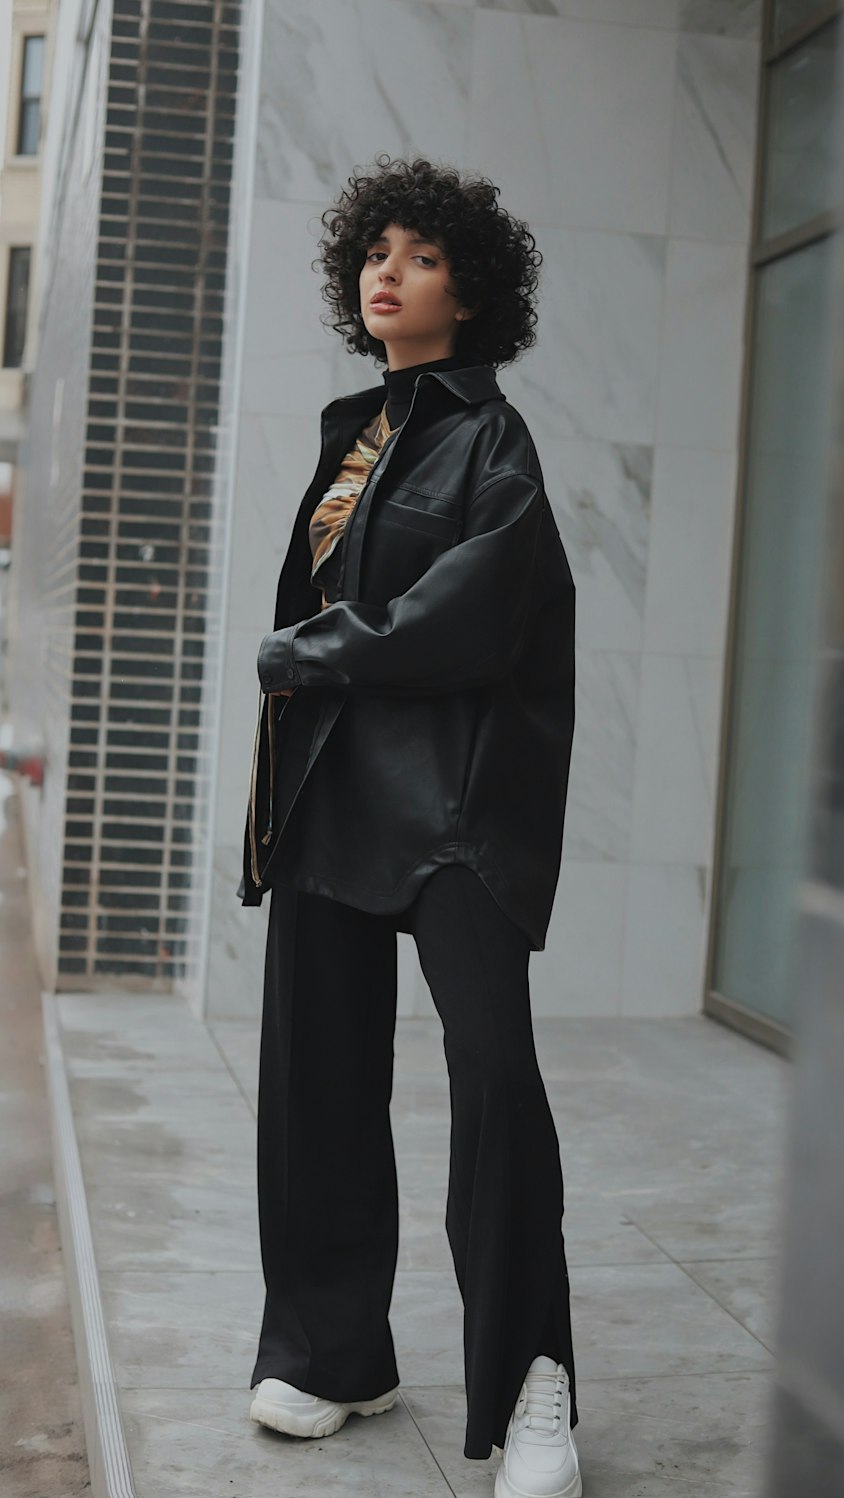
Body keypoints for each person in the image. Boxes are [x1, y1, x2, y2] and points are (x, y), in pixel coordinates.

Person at [237, 153, 582, 1498]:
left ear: (473, 287)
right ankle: (333, 1350)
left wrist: (316, 650)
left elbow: (474, 614)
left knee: (495, 1080)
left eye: (423, 253)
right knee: (315, 1077)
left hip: (455, 801)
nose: (389, 270)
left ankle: (533, 1380)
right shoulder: (352, 434)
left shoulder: (495, 441)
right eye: (375, 250)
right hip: (333, 788)